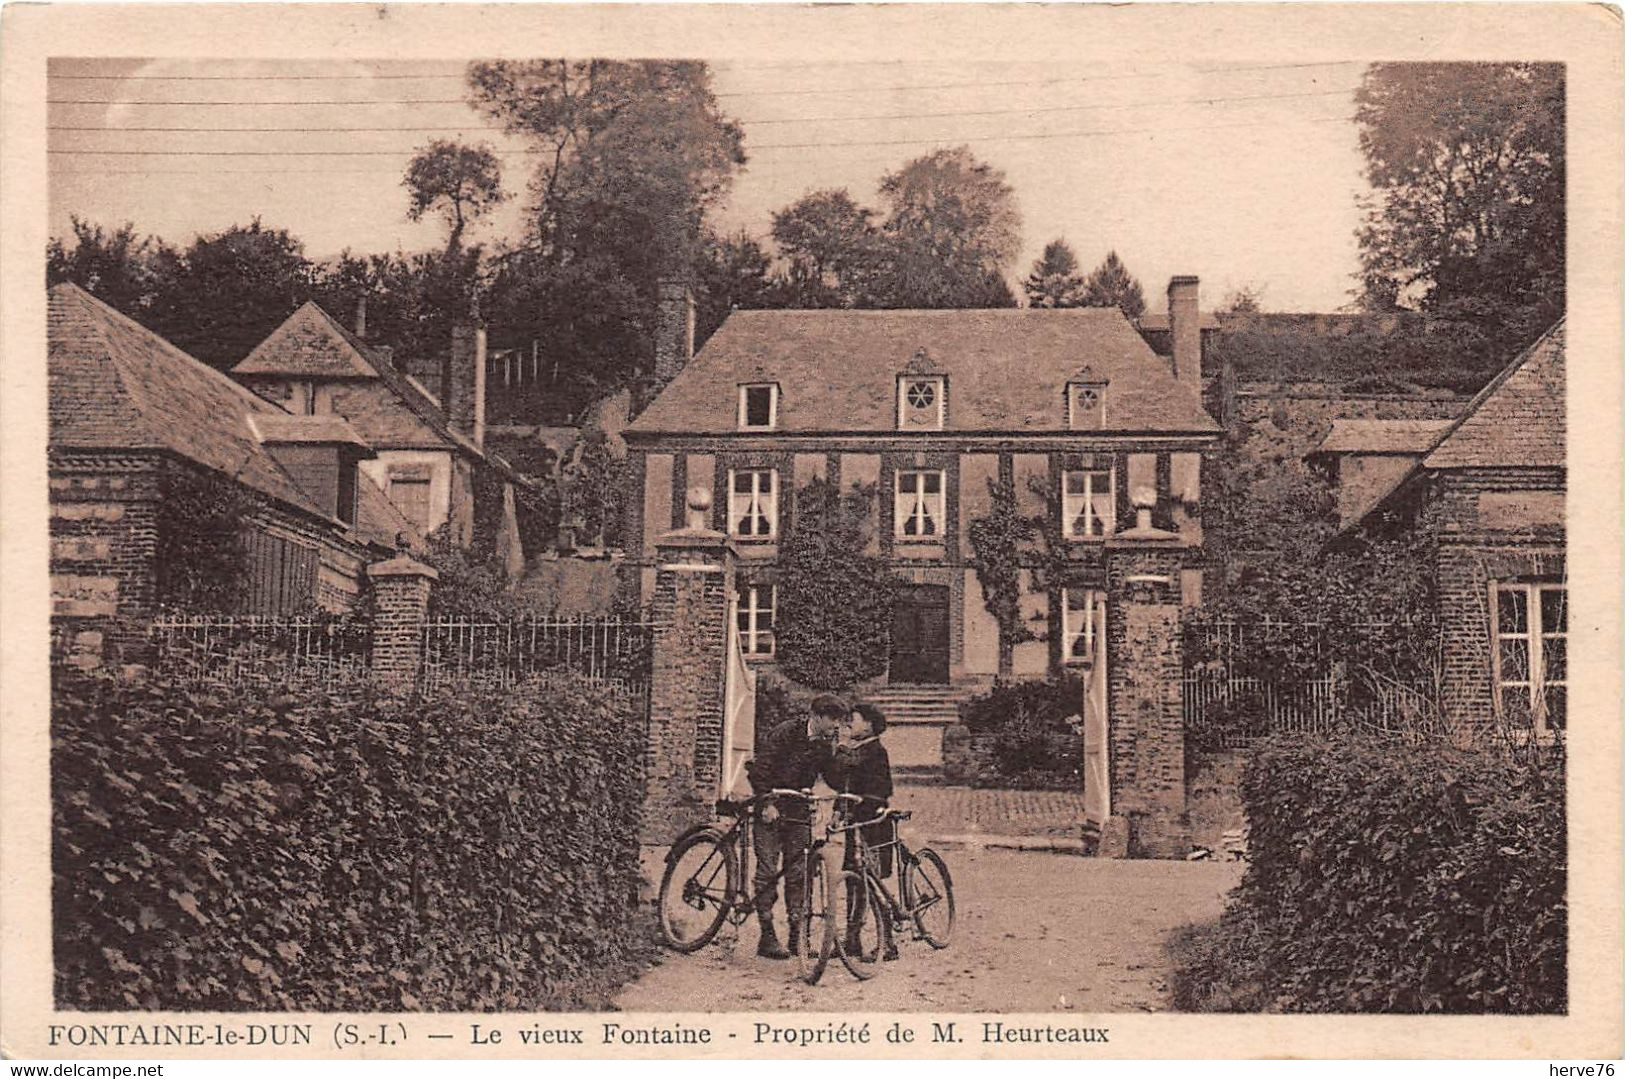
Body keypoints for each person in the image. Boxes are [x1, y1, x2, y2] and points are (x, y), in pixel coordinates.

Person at [743, 693, 845, 959]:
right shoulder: (786, 733)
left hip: (797, 811)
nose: (837, 725)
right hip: (772, 808)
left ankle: (796, 936)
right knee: (767, 869)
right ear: (817, 716)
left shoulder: (824, 744)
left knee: (798, 872)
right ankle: (766, 934)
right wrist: (766, 803)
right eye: (833, 719)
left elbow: (834, 779)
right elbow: (761, 769)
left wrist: (839, 755)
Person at [831, 701, 898, 961]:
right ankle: (852, 941)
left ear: (869, 725)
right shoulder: (857, 751)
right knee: (853, 881)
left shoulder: (874, 751)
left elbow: (849, 768)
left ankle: (889, 944)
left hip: (873, 825)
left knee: (871, 883)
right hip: (854, 825)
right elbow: (843, 785)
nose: (849, 724)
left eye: (854, 720)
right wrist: (839, 811)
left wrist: (841, 746)